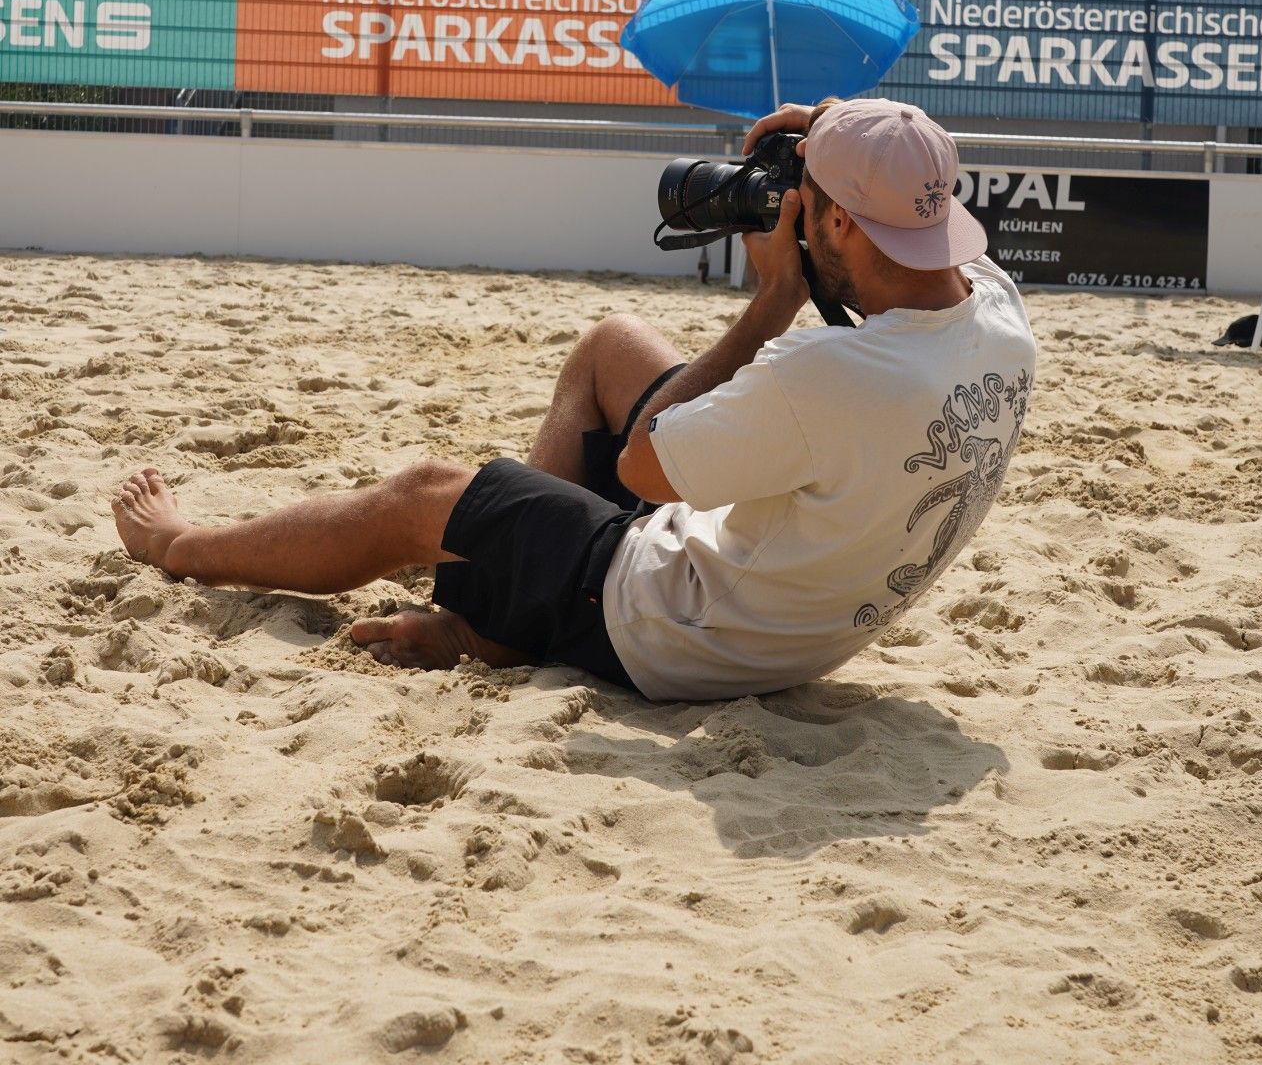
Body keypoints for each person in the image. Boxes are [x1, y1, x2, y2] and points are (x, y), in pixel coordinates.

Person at [110, 98, 1036, 702]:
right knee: (612, 348)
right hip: (802, 628)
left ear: (832, 219)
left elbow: (644, 466)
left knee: (425, 493)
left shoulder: (826, 372)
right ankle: (496, 615)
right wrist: (838, 127)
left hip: (675, 636)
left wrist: (770, 304)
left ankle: (182, 546)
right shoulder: (997, 313)